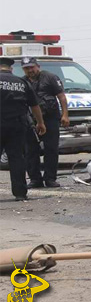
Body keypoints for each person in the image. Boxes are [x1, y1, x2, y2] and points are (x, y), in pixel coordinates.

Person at [0, 57, 46, 200]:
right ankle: (20, 193)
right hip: (18, 126)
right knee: (17, 158)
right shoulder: (22, 82)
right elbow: (34, 106)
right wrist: (40, 123)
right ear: (11, 69)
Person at [22, 57, 69, 188]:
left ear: (38, 66)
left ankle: (50, 178)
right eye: (26, 68)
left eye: (32, 67)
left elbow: (62, 97)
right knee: (30, 150)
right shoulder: (23, 82)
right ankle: (35, 179)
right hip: (31, 121)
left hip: (50, 118)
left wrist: (65, 114)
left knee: (51, 149)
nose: (30, 70)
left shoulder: (50, 77)